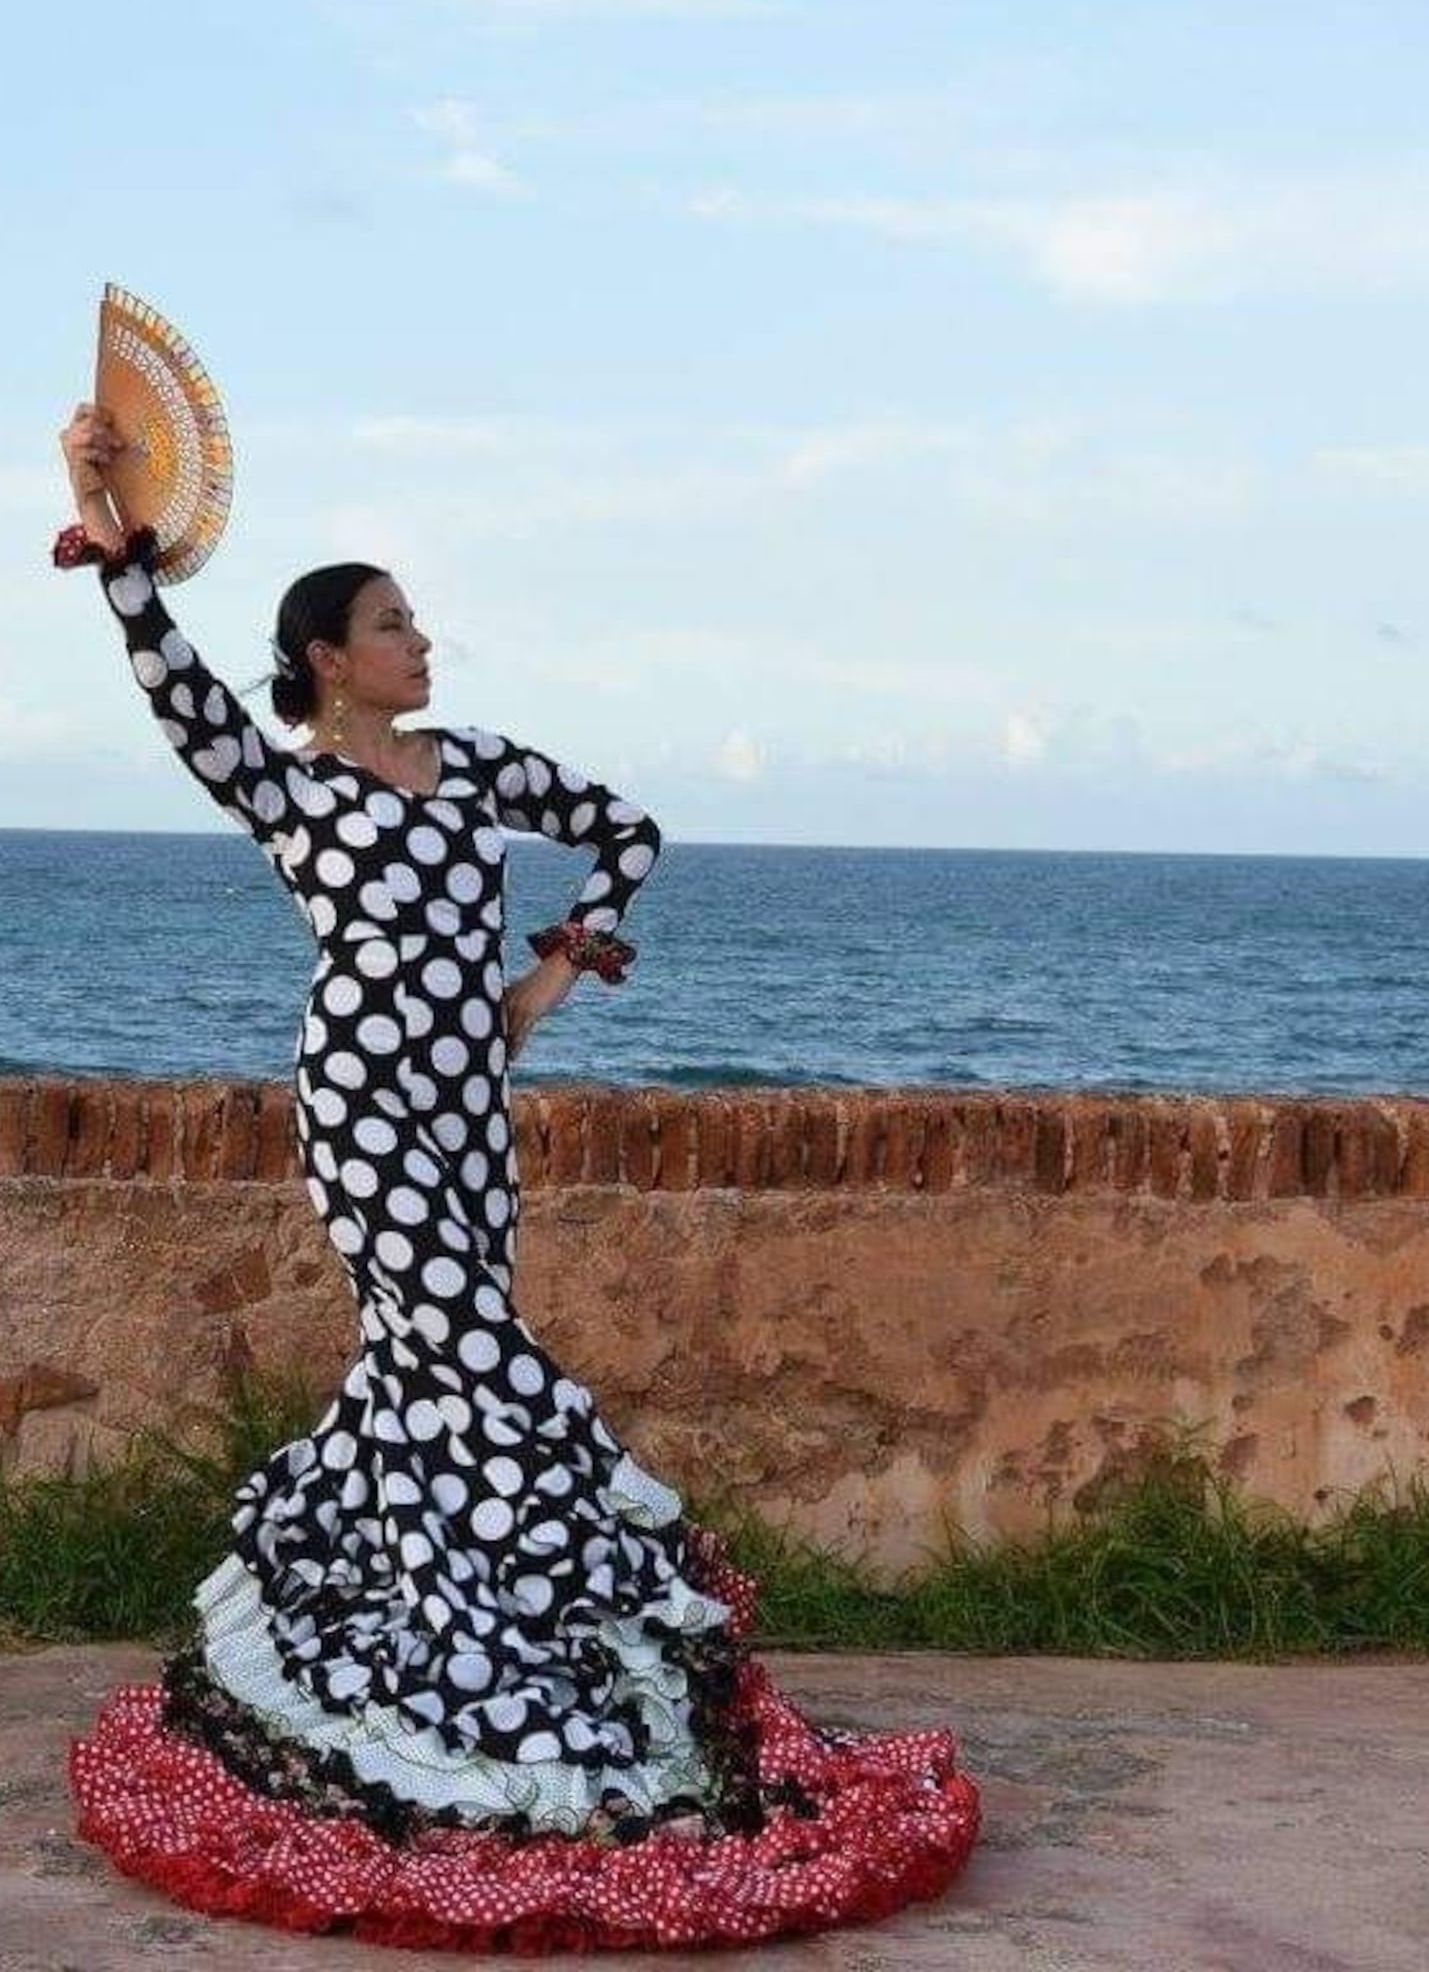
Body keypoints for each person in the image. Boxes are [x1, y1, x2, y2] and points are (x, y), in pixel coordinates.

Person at [53, 400, 980, 1950]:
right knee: (472, 1352)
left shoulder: (472, 769)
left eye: (418, 620)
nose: (423, 642)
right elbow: (177, 693)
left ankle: (424, 1626)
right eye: (392, 625)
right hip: (357, 1101)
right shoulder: (289, 792)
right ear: (327, 661)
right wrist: (114, 540)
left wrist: (544, 982)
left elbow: (628, 831)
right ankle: (550, 1609)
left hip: (469, 1110)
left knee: (423, 1375)